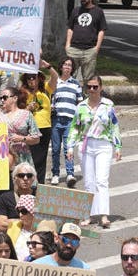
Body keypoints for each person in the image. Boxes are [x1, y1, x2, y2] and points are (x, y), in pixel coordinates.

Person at [67, 75, 121, 228]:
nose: (91, 90)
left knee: (102, 180)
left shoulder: (108, 105)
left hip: (103, 145)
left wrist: (118, 147)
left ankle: (104, 215)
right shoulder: (81, 106)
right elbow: (74, 127)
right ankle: (88, 215)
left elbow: (114, 126)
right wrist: (70, 147)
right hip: (86, 146)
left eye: (95, 87)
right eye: (89, 87)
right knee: (89, 181)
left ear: (101, 87)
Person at [47, 57, 82, 187]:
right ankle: (55, 174)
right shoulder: (55, 82)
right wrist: (51, 107)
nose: (67, 67)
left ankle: (70, 174)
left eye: (70, 65)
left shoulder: (76, 84)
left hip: (70, 121)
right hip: (56, 119)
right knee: (55, 149)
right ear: (60, 67)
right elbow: (50, 99)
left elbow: (79, 102)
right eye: (65, 64)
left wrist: (80, 120)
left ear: (72, 69)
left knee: (69, 148)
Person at [66, 0, 106, 83]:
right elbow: (70, 28)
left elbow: (102, 30)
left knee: (88, 78)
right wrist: (67, 45)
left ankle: (86, 96)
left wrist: (97, 47)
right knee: (69, 76)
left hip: (90, 49)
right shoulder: (75, 11)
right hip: (74, 49)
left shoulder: (98, 12)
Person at [0, 87, 40, 166]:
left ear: (15, 98)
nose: (2, 100)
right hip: (4, 157)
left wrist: (22, 138)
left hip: (23, 157)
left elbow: (36, 139)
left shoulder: (26, 115)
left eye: (5, 97)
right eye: (1, 98)